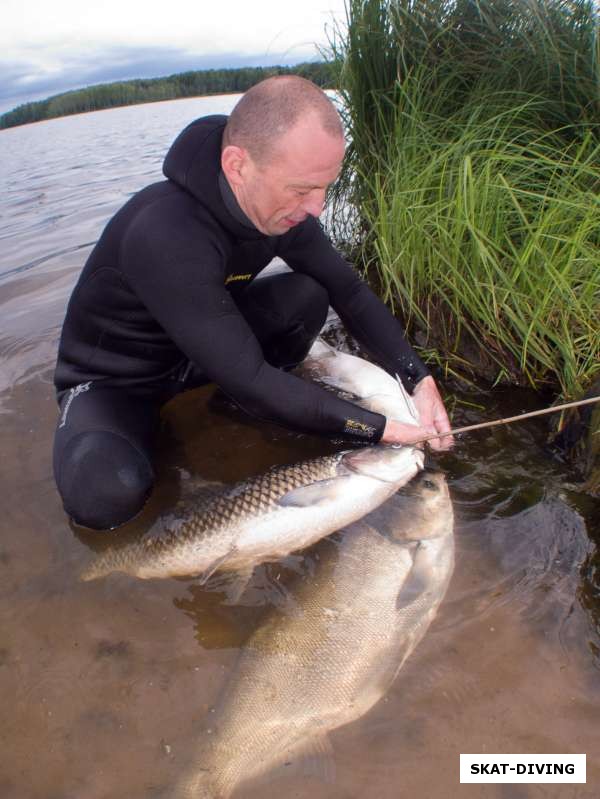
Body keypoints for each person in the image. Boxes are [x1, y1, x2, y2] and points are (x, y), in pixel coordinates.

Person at [52, 75, 453, 531]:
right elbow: (252, 380)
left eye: (325, 188)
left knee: (307, 295)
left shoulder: (285, 207)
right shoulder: (164, 230)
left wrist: (419, 380)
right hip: (118, 382)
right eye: (302, 190)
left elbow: (351, 293)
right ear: (238, 166)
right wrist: (379, 429)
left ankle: (228, 411)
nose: (316, 208)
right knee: (104, 494)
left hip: (205, 358)